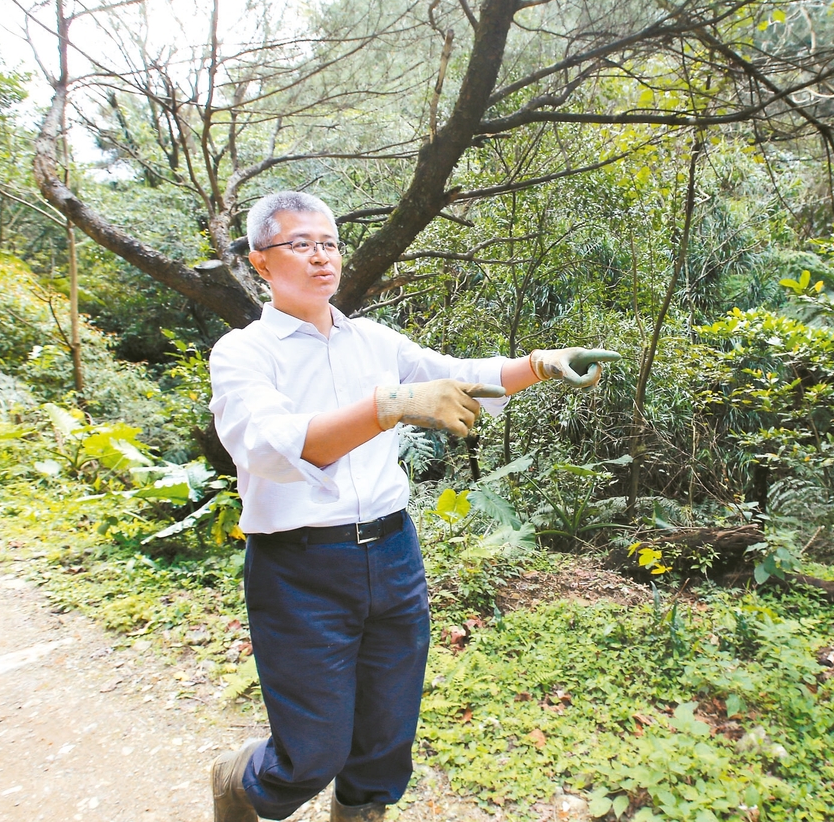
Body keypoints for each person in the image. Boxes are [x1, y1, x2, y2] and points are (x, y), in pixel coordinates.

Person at [207, 191, 619, 822]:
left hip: (393, 552)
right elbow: (264, 446)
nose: (321, 258)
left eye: (329, 243)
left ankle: (364, 810)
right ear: (261, 263)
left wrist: (540, 364)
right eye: (300, 244)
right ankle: (242, 781)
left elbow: (457, 373)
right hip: (299, 566)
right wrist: (388, 407)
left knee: (386, 733)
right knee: (313, 750)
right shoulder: (243, 352)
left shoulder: (370, 339)